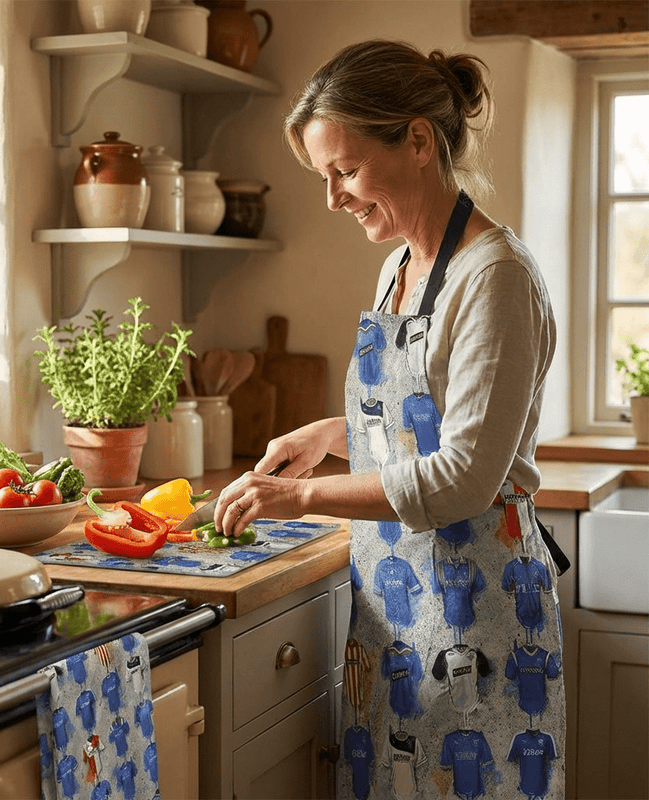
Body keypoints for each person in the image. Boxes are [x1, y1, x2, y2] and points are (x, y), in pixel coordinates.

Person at [213, 40, 565, 799]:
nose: (333, 197)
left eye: (344, 170)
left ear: (416, 140)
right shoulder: (400, 266)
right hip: (396, 617)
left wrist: (302, 497)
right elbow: (421, 416)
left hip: (481, 622)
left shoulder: (495, 277)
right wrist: (328, 435)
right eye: (324, 177)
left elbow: (464, 476)